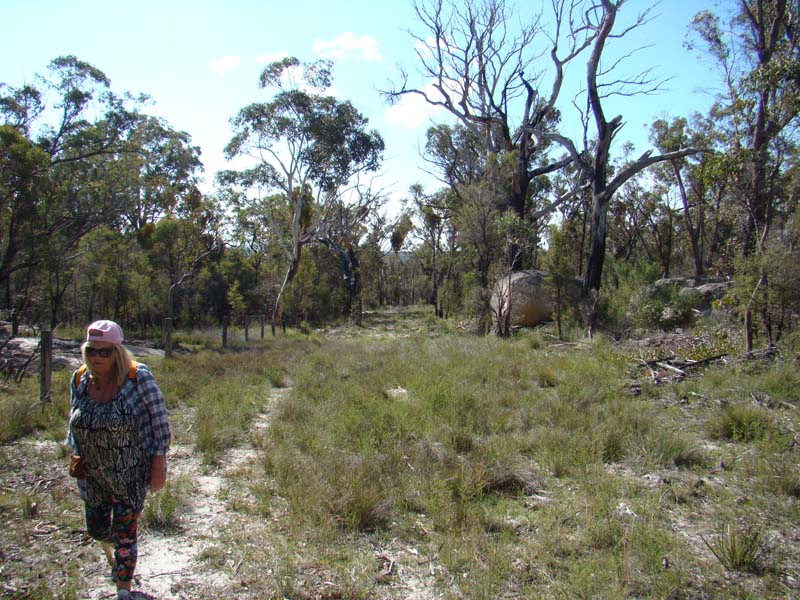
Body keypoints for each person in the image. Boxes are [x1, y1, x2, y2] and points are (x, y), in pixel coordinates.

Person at [66, 320, 170, 600]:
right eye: (91, 350)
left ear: (118, 352)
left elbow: (159, 422)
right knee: (97, 529)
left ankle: (123, 589)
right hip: (93, 476)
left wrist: (158, 465)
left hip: (129, 473)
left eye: (105, 352)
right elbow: (73, 419)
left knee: (125, 532)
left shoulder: (137, 378)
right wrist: (74, 454)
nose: (97, 357)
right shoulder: (80, 379)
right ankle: (118, 559)